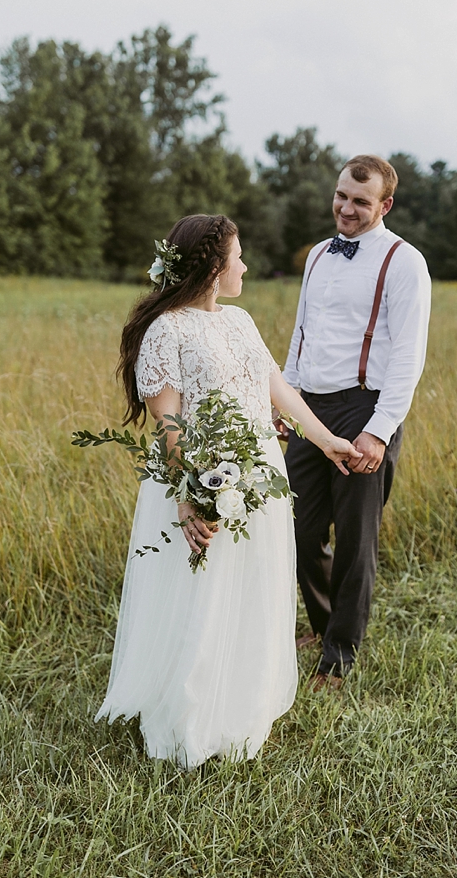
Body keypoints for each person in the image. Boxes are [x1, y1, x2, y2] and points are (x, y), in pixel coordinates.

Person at [96, 214, 360, 767]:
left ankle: (240, 704)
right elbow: (167, 422)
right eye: (237, 256)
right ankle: (192, 717)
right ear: (214, 268)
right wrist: (188, 494)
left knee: (252, 583)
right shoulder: (166, 330)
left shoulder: (240, 321)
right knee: (203, 591)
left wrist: (327, 438)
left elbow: (277, 390)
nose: (245, 265)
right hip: (200, 473)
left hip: (259, 474)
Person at [281, 154, 432, 689]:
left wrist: (379, 428)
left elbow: (409, 357)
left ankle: (339, 655)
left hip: (364, 410)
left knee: (354, 539)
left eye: (360, 201)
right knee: (293, 531)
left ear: (384, 205)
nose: (346, 208)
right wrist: (287, 401)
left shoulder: (403, 261)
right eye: (342, 195)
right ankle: (323, 625)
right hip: (310, 410)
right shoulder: (319, 255)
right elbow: (303, 333)